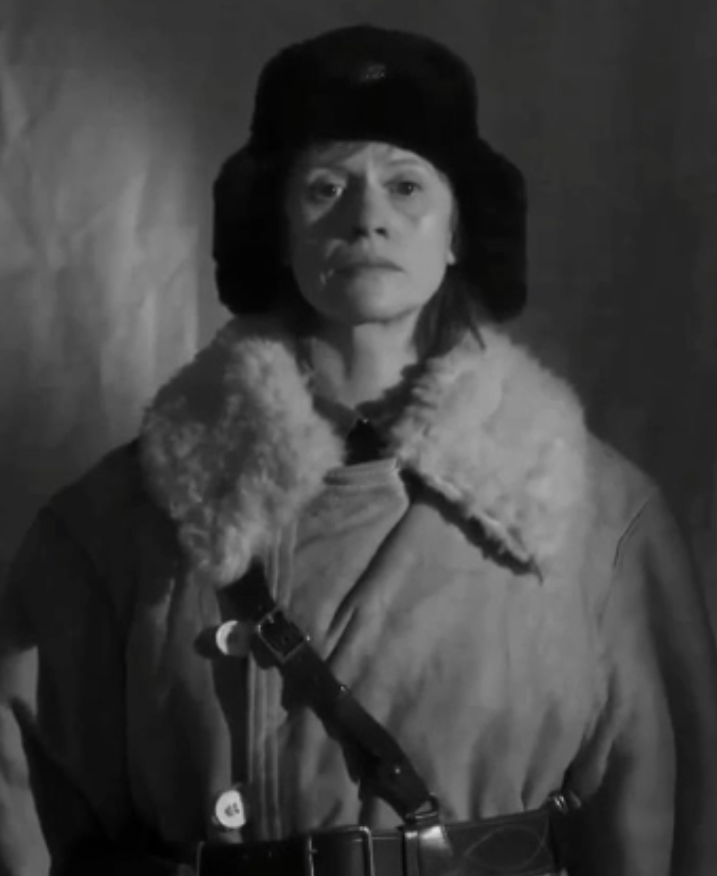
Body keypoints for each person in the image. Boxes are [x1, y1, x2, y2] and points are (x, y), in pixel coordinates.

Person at [1, 23, 716, 876]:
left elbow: (672, 822)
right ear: (277, 228)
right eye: (325, 187)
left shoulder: (594, 518)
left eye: (406, 186)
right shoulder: (123, 517)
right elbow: (23, 802)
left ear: (457, 229)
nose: (367, 216)